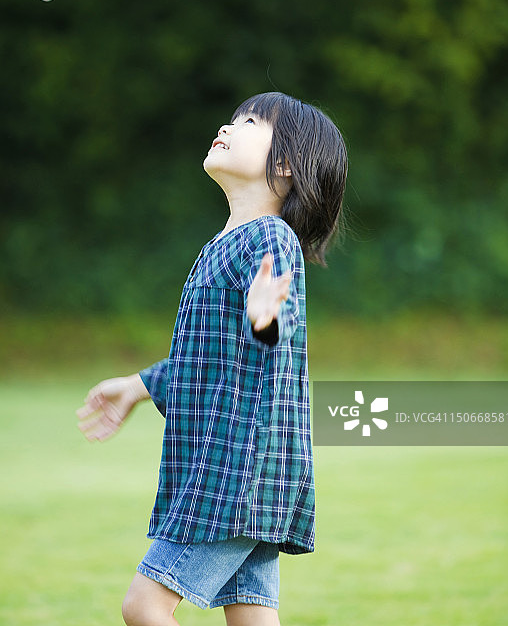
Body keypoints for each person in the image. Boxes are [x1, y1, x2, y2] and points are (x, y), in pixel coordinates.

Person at [77, 91, 348, 626]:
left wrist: (264, 320)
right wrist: (139, 384)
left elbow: (276, 338)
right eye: (233, 117)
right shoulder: (226, 243)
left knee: (144, 605)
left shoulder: (268, 239)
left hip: (237, 469)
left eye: (249, 122)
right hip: (245, 467)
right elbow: (209, 361)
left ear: (287, 164)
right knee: (251, 617)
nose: (229, 125)